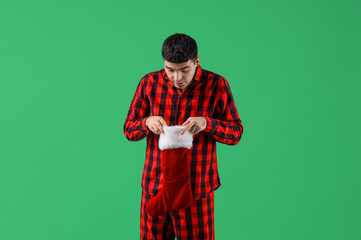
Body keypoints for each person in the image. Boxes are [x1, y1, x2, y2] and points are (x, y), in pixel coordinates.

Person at [123, 33, 244, 240]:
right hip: (156, 186)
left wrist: (208, 123)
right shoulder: (149, 83)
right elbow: (129, 129)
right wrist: (146, 122)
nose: (177, 78)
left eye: (184, 70)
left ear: (197, 62)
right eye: (170, 70)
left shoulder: (216, 85)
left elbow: (235, 133)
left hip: (196, 190)